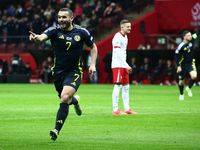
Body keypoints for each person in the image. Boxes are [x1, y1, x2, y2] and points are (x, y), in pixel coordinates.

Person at [29, 8, 98, 141]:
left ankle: (56, 130)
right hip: (58, 72)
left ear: (71, 18)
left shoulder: (82, 32)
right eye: (59, 17)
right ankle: (76, 101)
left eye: (64, 17)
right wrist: (36, 38)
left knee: (64, 97)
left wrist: (93, 64)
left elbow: (93, 47)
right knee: (64, 98)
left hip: (74, 71)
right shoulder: (54, 30)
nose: (61, 20)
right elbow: (42, 37)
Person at [111, 19, 138, 115]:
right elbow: (118, 53)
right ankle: (115, 110)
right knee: (118, 85)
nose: (130, 28)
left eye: (130, 26)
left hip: (123, 65)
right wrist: (126, 65)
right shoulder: (117, 37)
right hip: (118, 64)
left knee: (126, 86)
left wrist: (125, 65)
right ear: (122, 27)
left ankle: (127, 108)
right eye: (128, 27)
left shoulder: (125, 37)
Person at [174, 29, 200, 100]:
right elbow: (176, 56)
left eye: (190, 35)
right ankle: (181, 94)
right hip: (182, 65)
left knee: (194, 76)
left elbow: (198, 32)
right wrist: (178, 66)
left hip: (190, 62)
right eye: (188, 35)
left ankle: (188, 88)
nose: (190, 36)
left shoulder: (192, 39)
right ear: (184, 37)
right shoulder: (180, 46)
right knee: (181, 82)